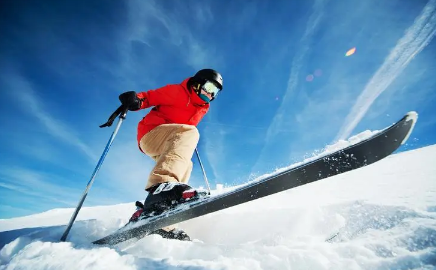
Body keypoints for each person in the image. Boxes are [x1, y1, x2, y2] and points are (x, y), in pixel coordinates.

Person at [118, 69, 223, 241]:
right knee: (191, 133)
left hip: (169, 140)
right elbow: (150, 97)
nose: (211, 94)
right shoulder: (178, 91)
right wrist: (137, 100)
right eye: (210, 87)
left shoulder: (203, 108)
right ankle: (161, 188)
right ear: (198, 83)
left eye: (215, 92)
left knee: (186, 164)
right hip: (151, 133)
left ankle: (159, 218)